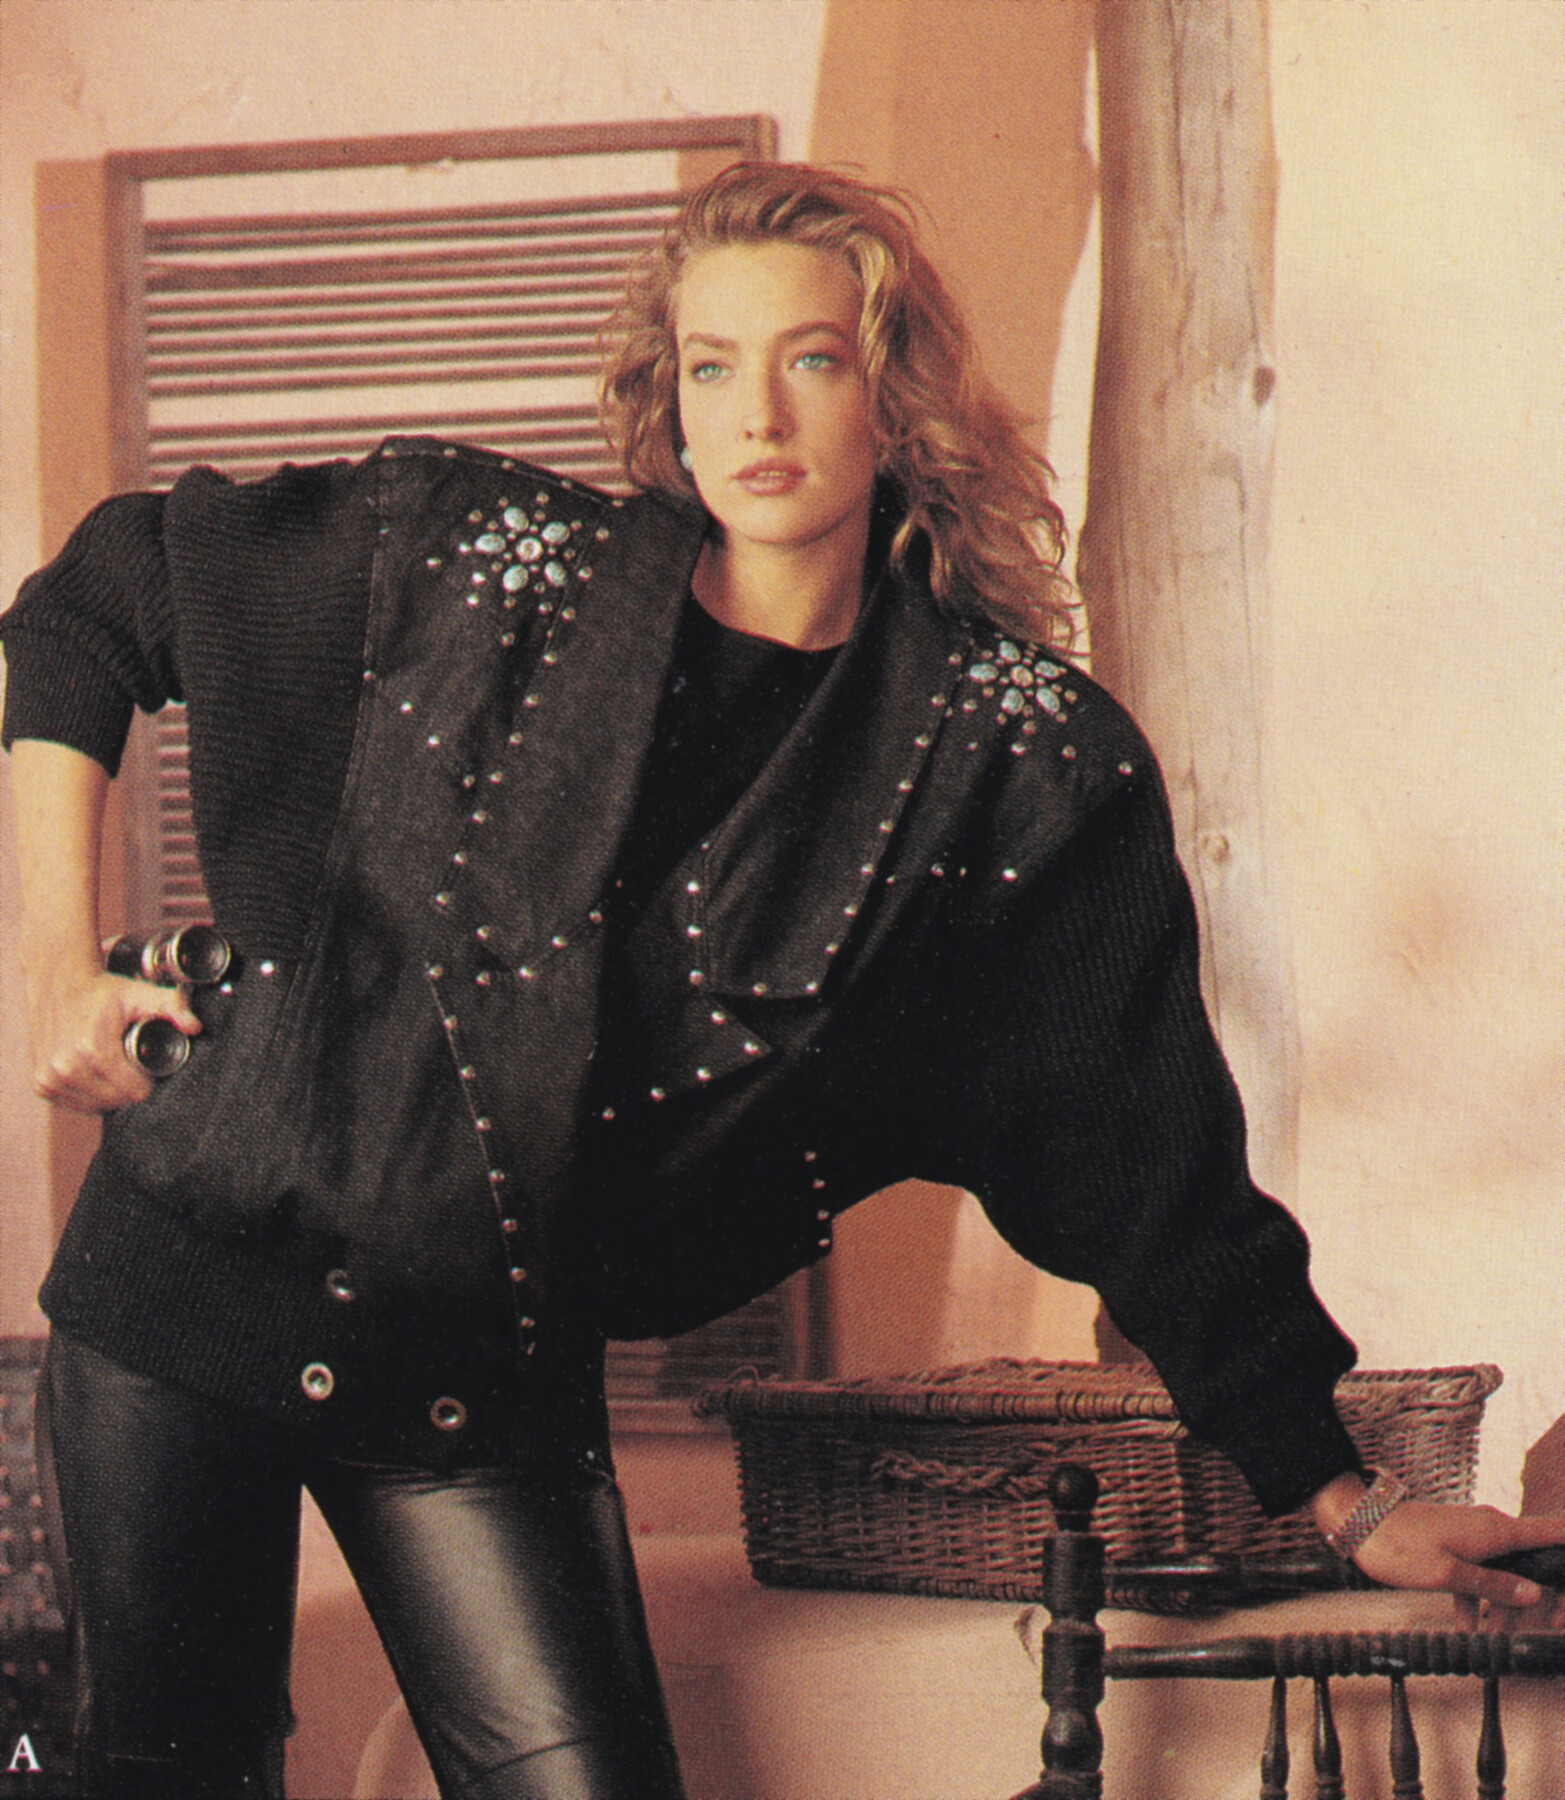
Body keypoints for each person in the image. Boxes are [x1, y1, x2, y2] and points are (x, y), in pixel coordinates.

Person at [4, 162, 1561, 1799]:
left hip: (482, 1378)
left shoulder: (1012, 768)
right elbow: (101, 597)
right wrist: (45, 964)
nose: (757, 413)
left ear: (892, 397)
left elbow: (1150, 1167)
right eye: (711, 365)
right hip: (187, 1292)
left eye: (811, 358)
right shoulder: (481, 559)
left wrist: (1349, 1503)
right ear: (666, 404)